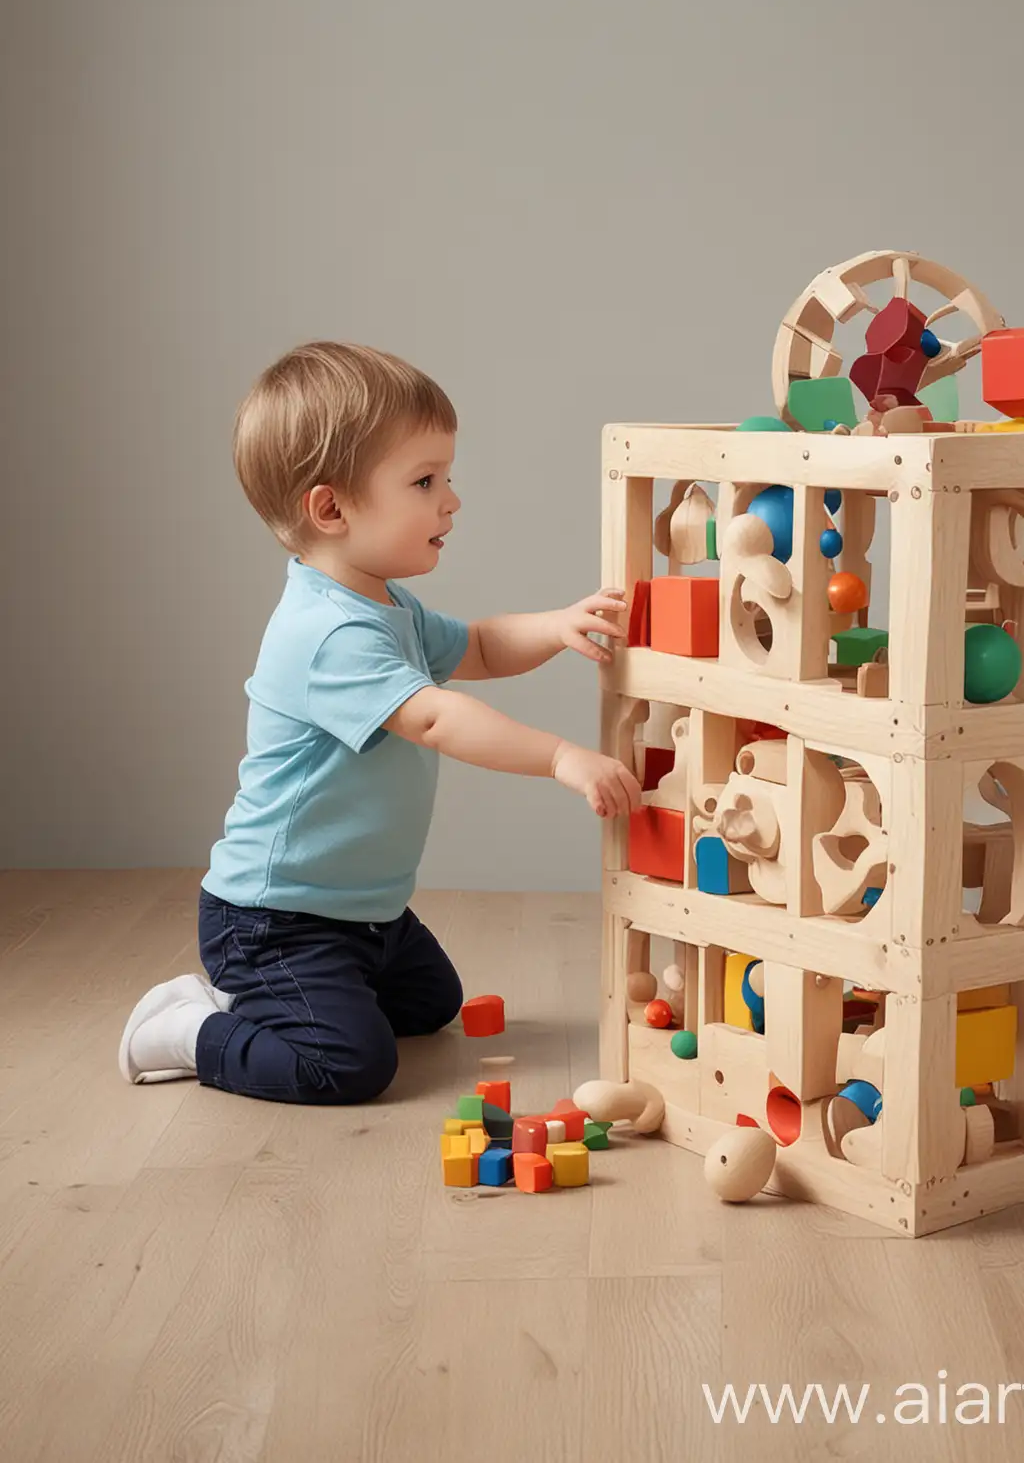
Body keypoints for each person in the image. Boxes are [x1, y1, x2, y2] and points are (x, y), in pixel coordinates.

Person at [118, 342, 640, 1101]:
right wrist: (561, 756)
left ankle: (278, 1004)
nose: (451, 500)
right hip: (274, 919)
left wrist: (557, 625)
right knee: (349, 1067)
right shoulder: (325, 633)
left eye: (446, 478)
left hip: (363, 914)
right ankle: (190, 1030)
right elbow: (434, 719)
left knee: (430, 1006)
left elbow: (482, 646)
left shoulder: (384, 604)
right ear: (331, 508)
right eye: (425, 482)